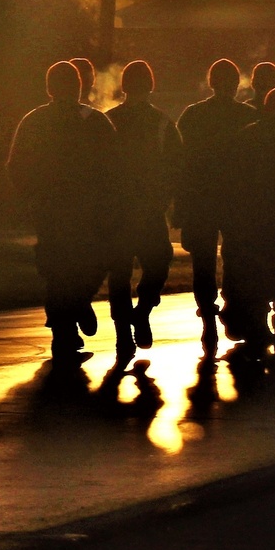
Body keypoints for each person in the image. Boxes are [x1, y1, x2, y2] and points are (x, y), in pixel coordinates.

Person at [7, 61, 119, 366]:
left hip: (57, 211)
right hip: (82, 211)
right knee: (85, 265)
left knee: (60, 271)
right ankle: (72, 320)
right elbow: (114, 168)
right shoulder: (92, 121)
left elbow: (16, 166)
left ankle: (68, 323)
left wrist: (31, 197)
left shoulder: (36, 121)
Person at [221, 87, 275, 363]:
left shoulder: (247, 135)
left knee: (255, 272)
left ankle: (257, 322)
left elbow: (234, 179)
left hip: (254, 217)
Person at [176, 59, 254, 357]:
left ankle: (208, 318)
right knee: (236, 257)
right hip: (237, 200)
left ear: (211, 83)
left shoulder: (192, 115)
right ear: (236, 84)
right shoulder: (247, 116)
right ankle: (232, 308)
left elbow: (181, 163)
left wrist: (181, 204)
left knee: (203, 263)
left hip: (201, 199)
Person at [106, 61, 182, 363]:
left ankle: (124, 334)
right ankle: (143, 310)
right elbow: (176, 166)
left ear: (124, 86)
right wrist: (166, 199)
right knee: (159, 264)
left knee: (119, 273)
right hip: (149, 209)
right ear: (150, 86)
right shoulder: (162, 122)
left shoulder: (108, 120)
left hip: (117, 210)